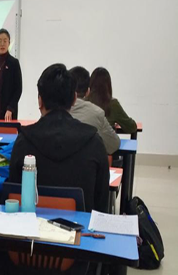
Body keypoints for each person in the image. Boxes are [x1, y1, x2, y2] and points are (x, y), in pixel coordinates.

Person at [9, 64, 109, 212]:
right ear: (74, 99)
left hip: (32, 225)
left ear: (40, 101)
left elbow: (14, 197)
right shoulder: (94, 142)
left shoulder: (23, 142)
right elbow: (101, 205)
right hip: (81, 226)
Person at [69, 66, 120, 154]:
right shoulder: (97, 113)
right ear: (88, 91)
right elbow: (114, 144)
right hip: (87, 161)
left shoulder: (52, 111)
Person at [87, 67, 137, 134]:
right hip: (106, 140)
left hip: (87, 140)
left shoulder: (84, 102)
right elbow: (131, 127)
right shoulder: (113, 104)